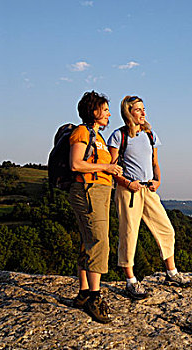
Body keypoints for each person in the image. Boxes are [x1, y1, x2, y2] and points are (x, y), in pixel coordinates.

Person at [108, 95, 189, 300]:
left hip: (148, 190)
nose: (143, 113)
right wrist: (128, 183)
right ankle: (131, 281)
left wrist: (158, 180)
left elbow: (155, 162)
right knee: (129, 234)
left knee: (166, 229)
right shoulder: (118, 136)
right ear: (128, 112)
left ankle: (171, 273)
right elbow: (113, 169)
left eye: (144, 109)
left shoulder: (150, 135)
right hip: (128, 191)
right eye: (138, 109)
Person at [69, 91, 122, 323]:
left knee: (89, 239)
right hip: (88, 191)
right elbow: (75, 164)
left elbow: (96, 163)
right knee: (99, 241)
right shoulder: (82, 132)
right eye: (105, 109)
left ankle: (83, 293)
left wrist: (111, 168)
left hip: (98, 191)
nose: (109, 113)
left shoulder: (98, 137)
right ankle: (94, 296)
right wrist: (106, 168)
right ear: (94, 112)